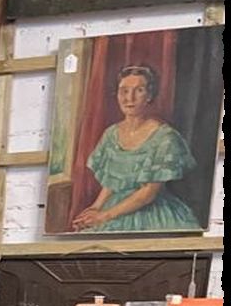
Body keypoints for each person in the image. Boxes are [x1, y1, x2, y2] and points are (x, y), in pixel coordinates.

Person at [71, 63, 200, 233]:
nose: (129, 98)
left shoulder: (165, 137)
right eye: (124, 91)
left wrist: (104, 216)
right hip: (112, 208)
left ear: (149, 95)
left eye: (139, 90)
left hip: (150, 211)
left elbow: (148, 193)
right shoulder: (111, 134)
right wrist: (95, 208)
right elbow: (111, 181)